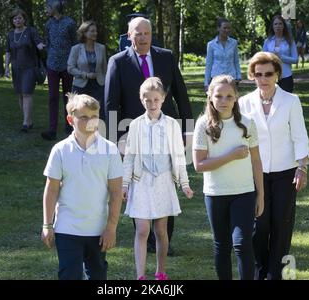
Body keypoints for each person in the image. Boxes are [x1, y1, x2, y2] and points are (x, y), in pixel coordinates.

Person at [105, 16, 193, 256]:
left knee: (165, 181)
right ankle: (145, 236)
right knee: (139, 183)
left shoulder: (165, 57)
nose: (142, 38)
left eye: (146, 33)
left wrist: (187, 129)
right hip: (134, 133)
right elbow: (111, 102)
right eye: (138, 33)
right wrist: (115, 139)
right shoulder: (117, 62)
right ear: (129, 35)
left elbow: (181, 94)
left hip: (167, 130)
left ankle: (164, 239)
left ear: (152, 35)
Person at [238, 52, 309, 280]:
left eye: (268, 74)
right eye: (258, 74)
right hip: (254, 173)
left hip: (285, 173)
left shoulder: (291, 101)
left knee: (281, 224)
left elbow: (300, 136)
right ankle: (261, 270)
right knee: (259, 226)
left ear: (277, 74)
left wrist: (302, 168)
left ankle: (275, 274)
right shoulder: (243, 103)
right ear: (252, 76)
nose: (264, 79)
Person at [41, 93, 123, 280]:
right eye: (84, 117)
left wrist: (111, 227)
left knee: (97, 276)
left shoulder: (110, 150)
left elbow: (116, 192)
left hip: (98, 230)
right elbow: (51, 189)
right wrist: (47, 224)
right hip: (66, 228)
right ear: (70, 119)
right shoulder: (60, 150)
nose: (90, 122)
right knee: (69, 275)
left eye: (94, 117)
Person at [192, 75, 264, 280]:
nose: (223, 101)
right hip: (215, 194)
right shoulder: (203, 125)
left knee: (242, 244)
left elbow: (256, 162)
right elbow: (199, 165)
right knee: (222, 246)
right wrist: (231, 156)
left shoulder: (247, 123)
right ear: (210, 97)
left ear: (236, 98)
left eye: (229, 96)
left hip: (244, 193)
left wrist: (260, 195)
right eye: (219, 96)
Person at [122, 77, 194, 280]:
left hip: (163, 181)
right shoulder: (135, 125)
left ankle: (160, 271)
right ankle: (140, 275)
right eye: (147, 100)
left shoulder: (171, 125)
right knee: (143, 230)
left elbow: (179, 156)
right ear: (141, 99)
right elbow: (129, 157)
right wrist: (125, 184)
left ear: (163, 99)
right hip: (141, 181)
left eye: (156, 99)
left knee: (161, 230)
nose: (152, 104)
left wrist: (185, 184)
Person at [41, 0, 77, 141]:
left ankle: (69, 127)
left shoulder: (70, 23)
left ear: (55, 8)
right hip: (52, 65)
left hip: (67, 65)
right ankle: (52, 129)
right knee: (52, 97)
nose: (46, 10)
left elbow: (74, 44)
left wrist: (72, 62)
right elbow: (48, 43)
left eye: (48, 7)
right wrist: (50, 58)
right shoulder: (48, 24)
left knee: (69, 97)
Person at [5, 9, 44, 133]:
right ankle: (28, 119)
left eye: (20, 18)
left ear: (24, 19)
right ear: (12, 21)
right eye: (15, 18)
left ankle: (26, 123)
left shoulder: (31, 31)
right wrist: (6, 67)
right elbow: (8, 52)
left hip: (30, 67)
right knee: (20, 95)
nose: (17, 20)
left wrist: (41, 46)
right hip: (16, 68)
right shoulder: (10, 34)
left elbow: (39, 43)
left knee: (27, 93)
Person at [67, 21, 107, 119]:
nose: (95, 33)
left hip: (98, 84)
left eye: (96, 31)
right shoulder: (76, 49)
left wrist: (106, 83)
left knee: (97, 112)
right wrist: (85, 74)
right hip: (80, 84)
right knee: (80, 111)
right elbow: (70, 68)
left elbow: (104, 68)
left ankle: (97, 132)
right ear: (84, 33)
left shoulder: (101, 48)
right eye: (92, 31)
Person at [204, 18, 241, 91]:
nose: (227, 30)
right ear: (218, 28)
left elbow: (236, 61)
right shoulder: (211, 44)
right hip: (216, 79)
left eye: (228, 28)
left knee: (231, 100)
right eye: (224, 28)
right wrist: (206, 83)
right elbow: (208, 64)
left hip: (231, 78)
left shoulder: (234, 43)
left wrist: (238, 77)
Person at [263, 15, 298, 93]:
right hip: (270, 76)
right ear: (272, 26)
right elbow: (263, 59)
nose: (278, 26)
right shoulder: (267, 41)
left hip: (286, 76)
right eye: (275, 24)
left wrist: (281, 57)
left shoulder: (290, 41)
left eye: (280, 24)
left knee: (286, 103)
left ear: (283, 26)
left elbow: (295, 60)